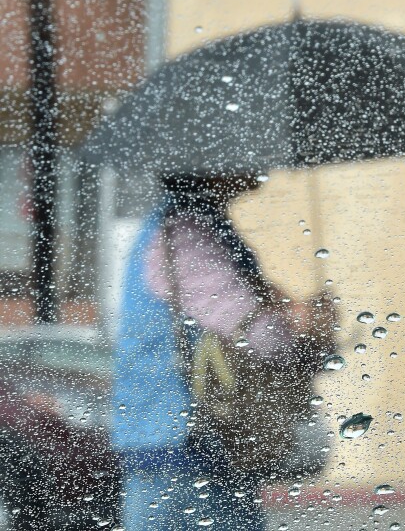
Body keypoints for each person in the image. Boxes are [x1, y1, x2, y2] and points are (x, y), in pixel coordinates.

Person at [112, 173, 333, 530]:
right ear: (206, 165)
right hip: (186, 448)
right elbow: (260, 335)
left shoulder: (193, 224)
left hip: (185, 440)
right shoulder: (184, 232)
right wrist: (302, 324)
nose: (260, 163)